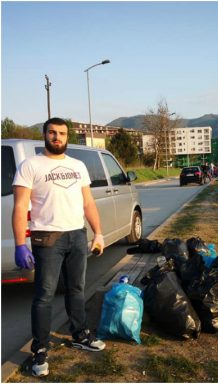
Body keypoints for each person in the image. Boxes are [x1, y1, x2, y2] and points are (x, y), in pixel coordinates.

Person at [12, 117, 106, 377]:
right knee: (44, 296)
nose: (57, 137)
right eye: (52, 133)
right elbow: (20, 206)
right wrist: (20, 243)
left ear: (68, 137)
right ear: (45, 135)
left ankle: (80, 334)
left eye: (62, 133)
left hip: (77, 235)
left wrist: (98, 233)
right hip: (48, 239)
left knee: (76, 289)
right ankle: (40, 350)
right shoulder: (30, 165)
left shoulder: (78, 166)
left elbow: (87, 202)